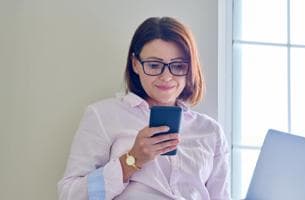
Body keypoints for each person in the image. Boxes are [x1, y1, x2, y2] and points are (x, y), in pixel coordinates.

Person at [57, 17, 231, 200]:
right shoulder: (103, 116)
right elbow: (70, 195)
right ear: (135, 64)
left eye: (178, 66)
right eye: (154, 65)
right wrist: (132, 160)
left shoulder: (211, 131)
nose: (166, 77)